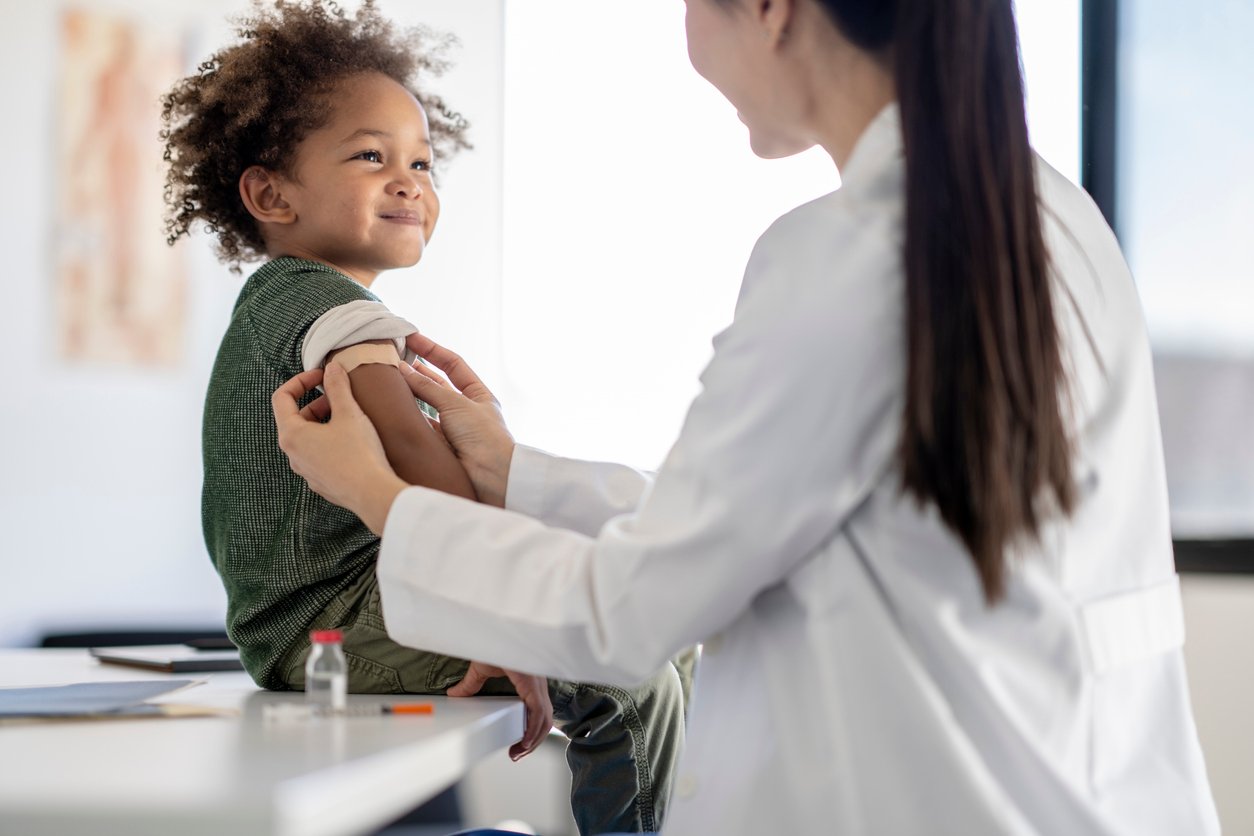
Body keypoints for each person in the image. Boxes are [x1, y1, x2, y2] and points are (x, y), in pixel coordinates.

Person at [271, 0, 1221, 833]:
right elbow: (795, 520)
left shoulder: (847, 256)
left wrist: (379, 494)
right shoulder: (1054, 216)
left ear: (771, 7)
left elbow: (631, 608)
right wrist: (515, 471)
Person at [160, 2, 686, 833]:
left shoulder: (300, 306)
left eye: (423, 162)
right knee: (632, 680)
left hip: (332, 617)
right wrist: (494, 601)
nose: (410, 181)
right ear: (270, 192)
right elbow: (407, 442)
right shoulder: (320, 301)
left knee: (661, 639)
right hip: (330, 626)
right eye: (371, 157)